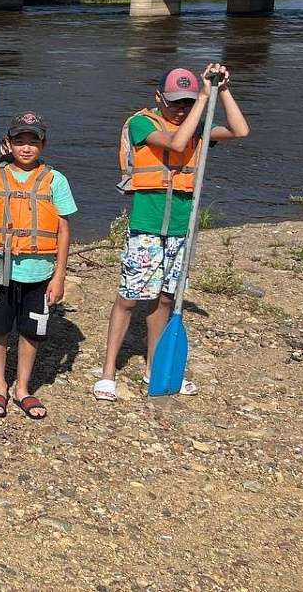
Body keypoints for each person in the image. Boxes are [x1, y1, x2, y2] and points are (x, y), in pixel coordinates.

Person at [94, 65, 249, 402]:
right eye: (176, 102)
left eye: (187, 102)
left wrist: (220, 90)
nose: (181, 109)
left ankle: (155, 366)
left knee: (164, 298)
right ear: (158, 97)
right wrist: (202, 103)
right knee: (129, 298)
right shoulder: (142, 123)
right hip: (147, 227)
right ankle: (108, 372)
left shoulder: (196, 124)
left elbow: (240, 130)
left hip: (181, 228)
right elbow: (177, 144)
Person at [0, 112, 76, 420]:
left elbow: (64, 230)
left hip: (40, 273)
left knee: (31, 331)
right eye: (19, 141)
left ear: (44, 144)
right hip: (0, 270)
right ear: (8, 144)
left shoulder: (56, 180)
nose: (26, 148)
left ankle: (23, 388)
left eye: (33, 141)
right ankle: (0, 385)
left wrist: (59, 276)